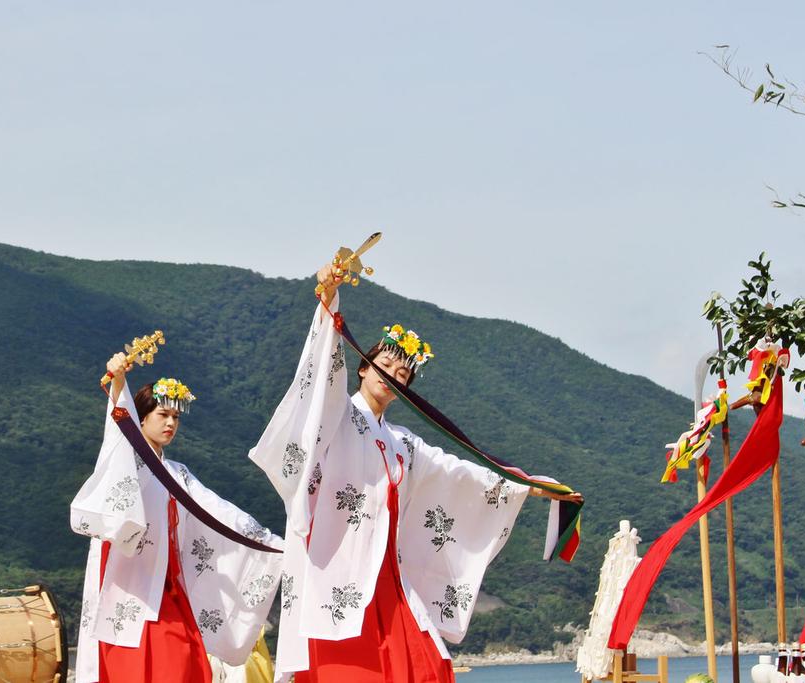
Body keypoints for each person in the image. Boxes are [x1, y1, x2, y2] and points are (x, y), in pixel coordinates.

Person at [249, 263, 582, 682]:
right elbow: (321, 375)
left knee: (427, 666)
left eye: (404, 374)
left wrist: (528, 489)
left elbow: (459, 474)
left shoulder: (403, 442)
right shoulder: (337, 415)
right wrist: (329, 299)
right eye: (386, 363)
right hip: (340, 566)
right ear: (364, 367)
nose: (394, 375)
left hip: (389, 570)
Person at [72, 352, 283, 683]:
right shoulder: (128, 464)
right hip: (133, 588)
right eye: (162, 414)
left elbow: (221, 513)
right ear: (141, 418)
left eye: (176, 417)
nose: (171, 423)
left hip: (172, 587)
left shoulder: (177, 474)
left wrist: (275, 545)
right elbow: (118, 429)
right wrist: (118, 383)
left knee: (187, 663)